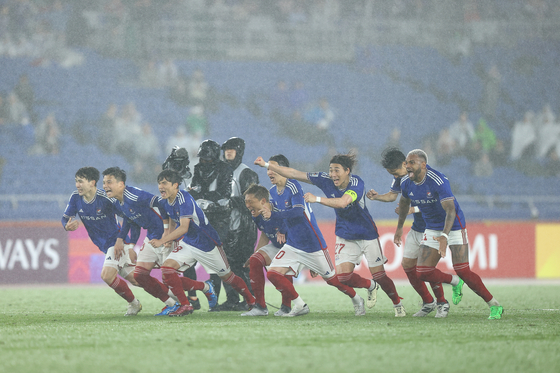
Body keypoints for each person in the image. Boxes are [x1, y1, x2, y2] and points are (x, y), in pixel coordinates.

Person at [261, 153, 405, 317]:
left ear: (347, 171)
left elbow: (343, 202)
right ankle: (369, 286)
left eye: (336, 170)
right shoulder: (325, 179)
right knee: (343, 277)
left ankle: (397, 304)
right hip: (344, 234)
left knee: (380, 275)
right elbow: (295, 173)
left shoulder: (357, 183)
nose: (333, 175)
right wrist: (267, 165)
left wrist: (317, 199)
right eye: (330, 170)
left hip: (366, 234)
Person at [393, 149, 504, 320]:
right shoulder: (406, 182)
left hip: (454, 226)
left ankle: (494, 304)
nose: (407, 166)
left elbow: (450, 211)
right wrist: (400, 228)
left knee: (464, 270)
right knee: (422, 271)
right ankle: (454, 281)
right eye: (406, 163)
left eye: (412, 162)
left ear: (423, 164)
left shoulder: (438, 181)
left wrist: (445, 236)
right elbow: (404, 204)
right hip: (431, 227)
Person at [254, 154, 365, 317]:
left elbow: (298, 211)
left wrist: (273, 215)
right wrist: (279, 226)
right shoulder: (272, 191)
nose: (270, 172)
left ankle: (356, 298)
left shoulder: (293, 186)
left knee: (334, 281)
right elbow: (281, 213)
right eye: (268, 169)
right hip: (293, 244)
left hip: (312, 245)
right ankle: (299, 305)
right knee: (273, 273)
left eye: (273, 168)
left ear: (282, 170)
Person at [150, 170, 256, 316]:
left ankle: (251, 301)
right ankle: (186, 304)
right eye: (159, 183)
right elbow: (172, 220)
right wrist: (169, 237)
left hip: (207, 243)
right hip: (189, 242)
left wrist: (162, 240)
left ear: (175, 185)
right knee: (167, 270)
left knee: (228, 277)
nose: (161, 186)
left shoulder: (184, 199)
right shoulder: (164, 201)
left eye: (164, 183)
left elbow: (183, 227)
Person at [367, 148, 449, 318]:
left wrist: (414, 208)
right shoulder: (402, 179)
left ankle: (442, 302)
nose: (395, 176)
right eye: (391, 174)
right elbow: (392, 196)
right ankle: (428, 302)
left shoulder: (427, 176)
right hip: (417, 228)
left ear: (405, 164)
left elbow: (437, 203)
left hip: (433, 227)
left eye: (395, 172)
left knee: (427, 268)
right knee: (408, 266)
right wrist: (377, 197)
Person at [62, 167, 142, 316]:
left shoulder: (105, 199)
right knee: (137, 280)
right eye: (76, 181)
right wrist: (67, 226)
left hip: (117, 242)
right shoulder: (75, 198)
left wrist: (122, 240)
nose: (77, 185)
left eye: (80, 181)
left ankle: (134, 304)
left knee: (106, 275)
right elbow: (65, 218)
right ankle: (173, 298)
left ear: (92, 182)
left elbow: (127, 216)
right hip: (105, 245)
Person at [102, 166, 180, 316]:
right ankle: (171, 303)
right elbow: (131, 221)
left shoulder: (135, 196)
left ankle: (194, 295)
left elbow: (162, 203)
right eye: (104, 182)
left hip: (163, 237)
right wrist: (130, 246)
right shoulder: (119, 203)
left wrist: (167, 230)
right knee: (139, 277)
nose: (105, 186)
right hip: (151, 237)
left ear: (121, 184)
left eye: (109, 182)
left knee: (169, 276)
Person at [188, 140, 233, 307]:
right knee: (191, 257)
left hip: (220, 219)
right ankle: (195, 297)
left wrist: (206, 199)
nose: (204, 162)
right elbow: (195, 187)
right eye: (202, 159)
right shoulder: (198, 169)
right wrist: (194, 195)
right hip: (201, 218)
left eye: (207, 159)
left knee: (216, 258)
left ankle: (220, 300)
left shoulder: (225, 170)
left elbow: (225, 193)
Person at [219, 137, 259, 311]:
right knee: (226, 265)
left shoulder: (246, 173)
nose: (228, 152)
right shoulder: (222, 172)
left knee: (244, 265)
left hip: (244, 228)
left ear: (239, 152)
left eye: (232, 149)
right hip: (227, 227)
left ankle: (251, 299)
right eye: (226, 149)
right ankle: (233, 299)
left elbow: (253, 201)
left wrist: (229, 202)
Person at [242, 177, 292, 316]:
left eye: (250, 202)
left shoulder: (280, 210)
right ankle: (260, 307)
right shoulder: (256, 214)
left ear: (263, 201)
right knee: (255, 260)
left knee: (333, 279)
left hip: (294, 246)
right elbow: (265, 233)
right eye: (246, 202)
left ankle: (287, 306)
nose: (248, 205)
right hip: (277, 246)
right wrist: (254, 254)